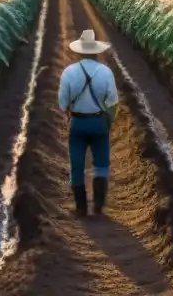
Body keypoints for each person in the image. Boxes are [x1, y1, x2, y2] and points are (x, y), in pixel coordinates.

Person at [58, 28, 119, 217]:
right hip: (99, 122)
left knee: (77, 165)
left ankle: (81, 208)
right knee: (101, 164)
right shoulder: (106, 72)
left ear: (79, 51)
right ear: (96, 51)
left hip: (78, 123)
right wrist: (109, 122)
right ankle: (99, 207)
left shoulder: (69, 72)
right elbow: (113, 101)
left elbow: (62, 103)